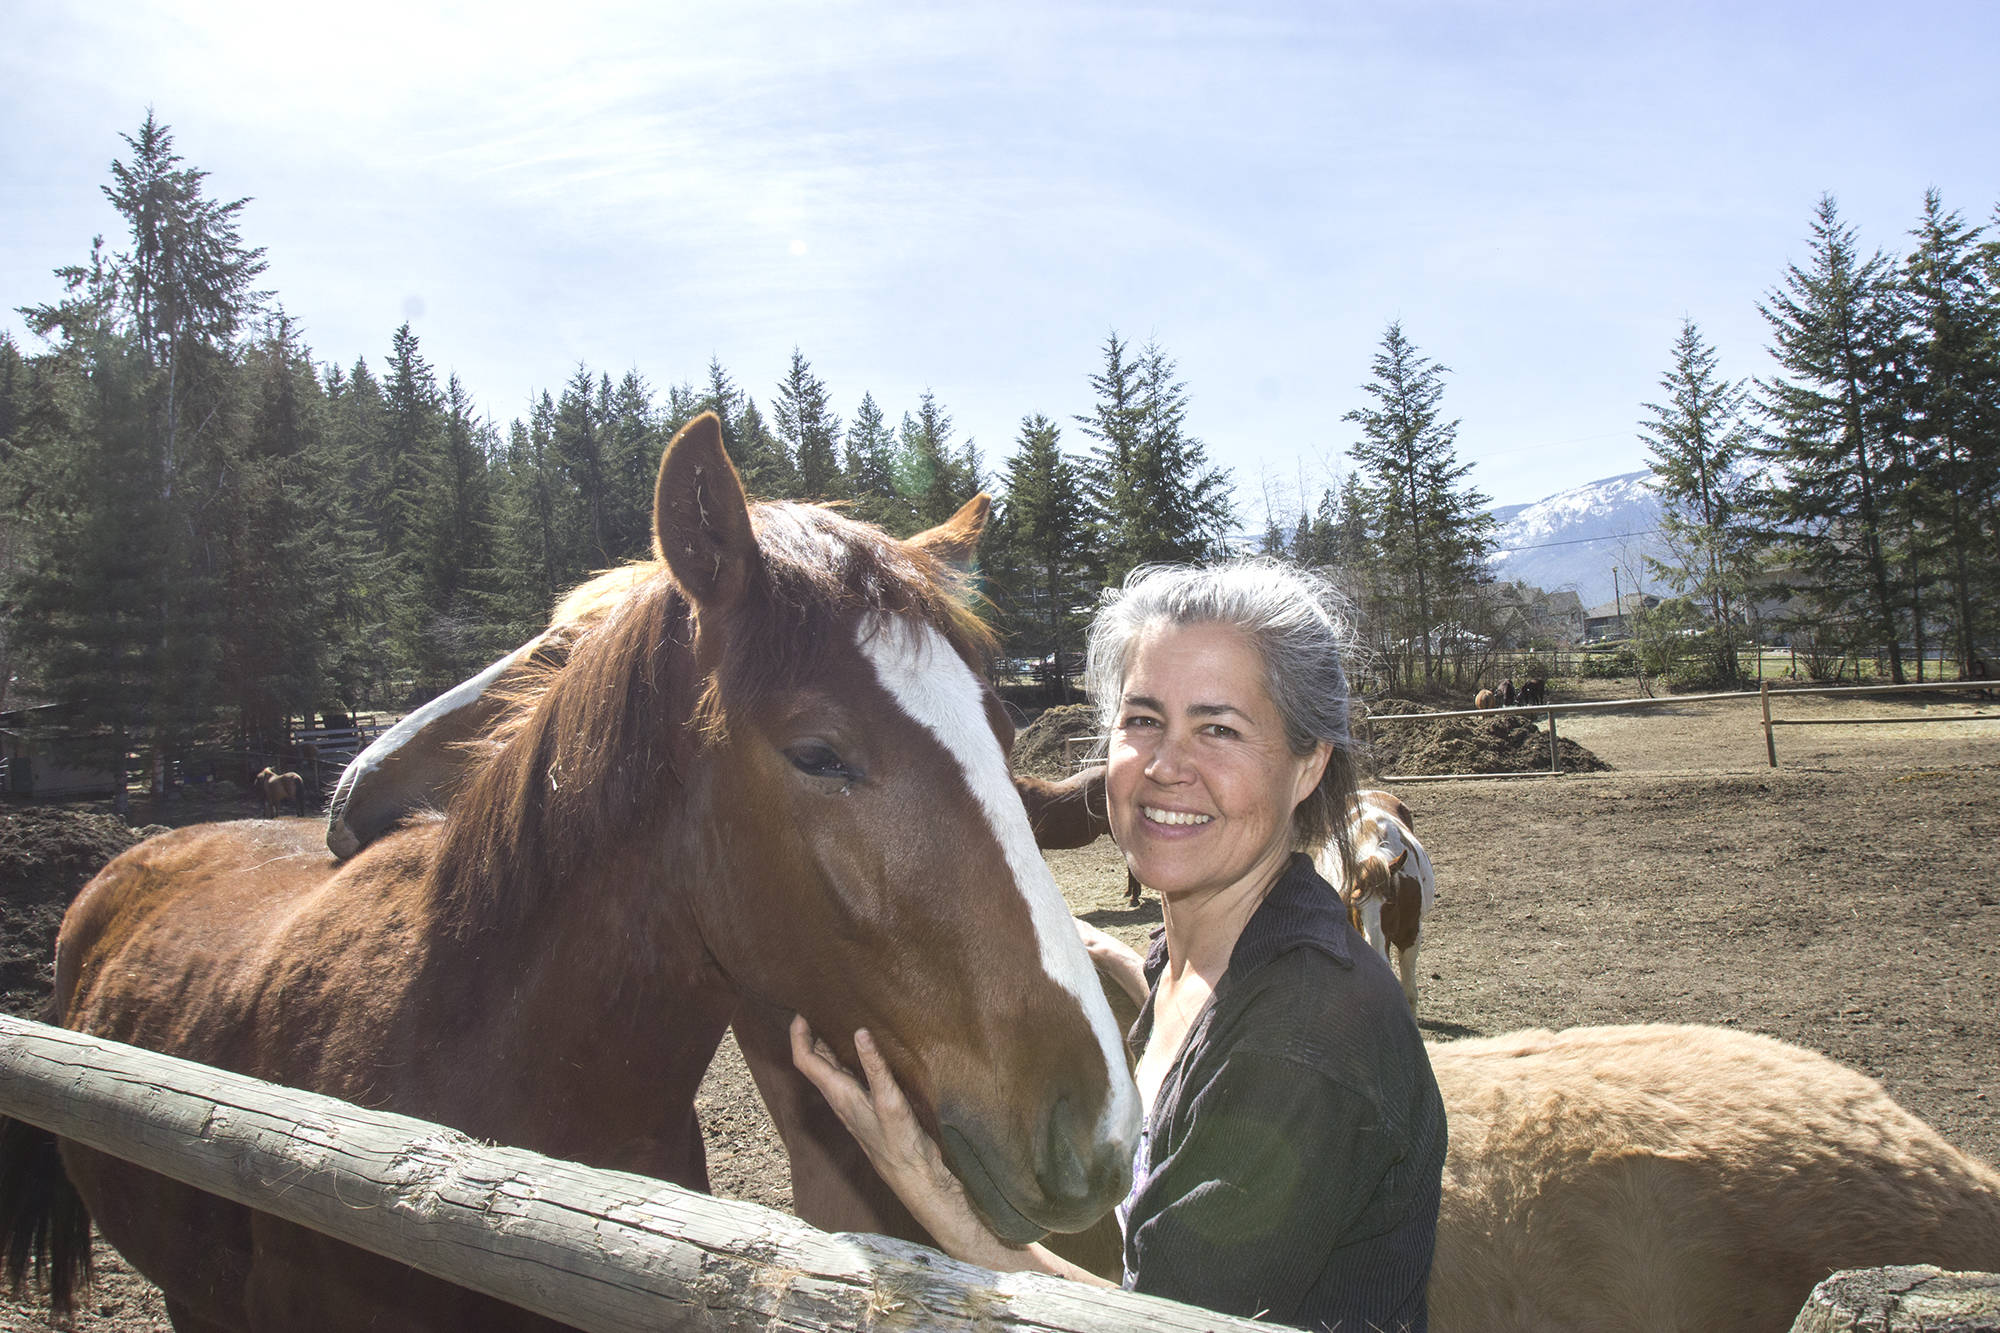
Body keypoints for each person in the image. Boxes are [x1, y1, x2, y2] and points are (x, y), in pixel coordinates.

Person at [792, 560, 1447, 1332]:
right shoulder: (1204, 961)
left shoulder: (1302, 1032)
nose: (1168, 766)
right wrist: (1122, 965)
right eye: (1142, 719)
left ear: (1308, 766)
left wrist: (926, 1186)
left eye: (1219, 728)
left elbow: (1161, 1329)